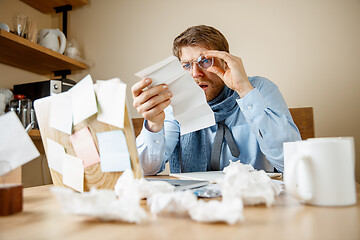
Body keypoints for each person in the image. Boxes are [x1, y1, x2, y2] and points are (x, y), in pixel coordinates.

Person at [131, 25, 301, 175]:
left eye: (205, 61)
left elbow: (291, 162)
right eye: (187, 65)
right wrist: (154, 125)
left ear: (225, 62)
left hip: (255, 201)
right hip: (194, 203)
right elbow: (146, 169)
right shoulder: (173, 103)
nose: (195, 73)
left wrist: (245, 91)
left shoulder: (259, 90)